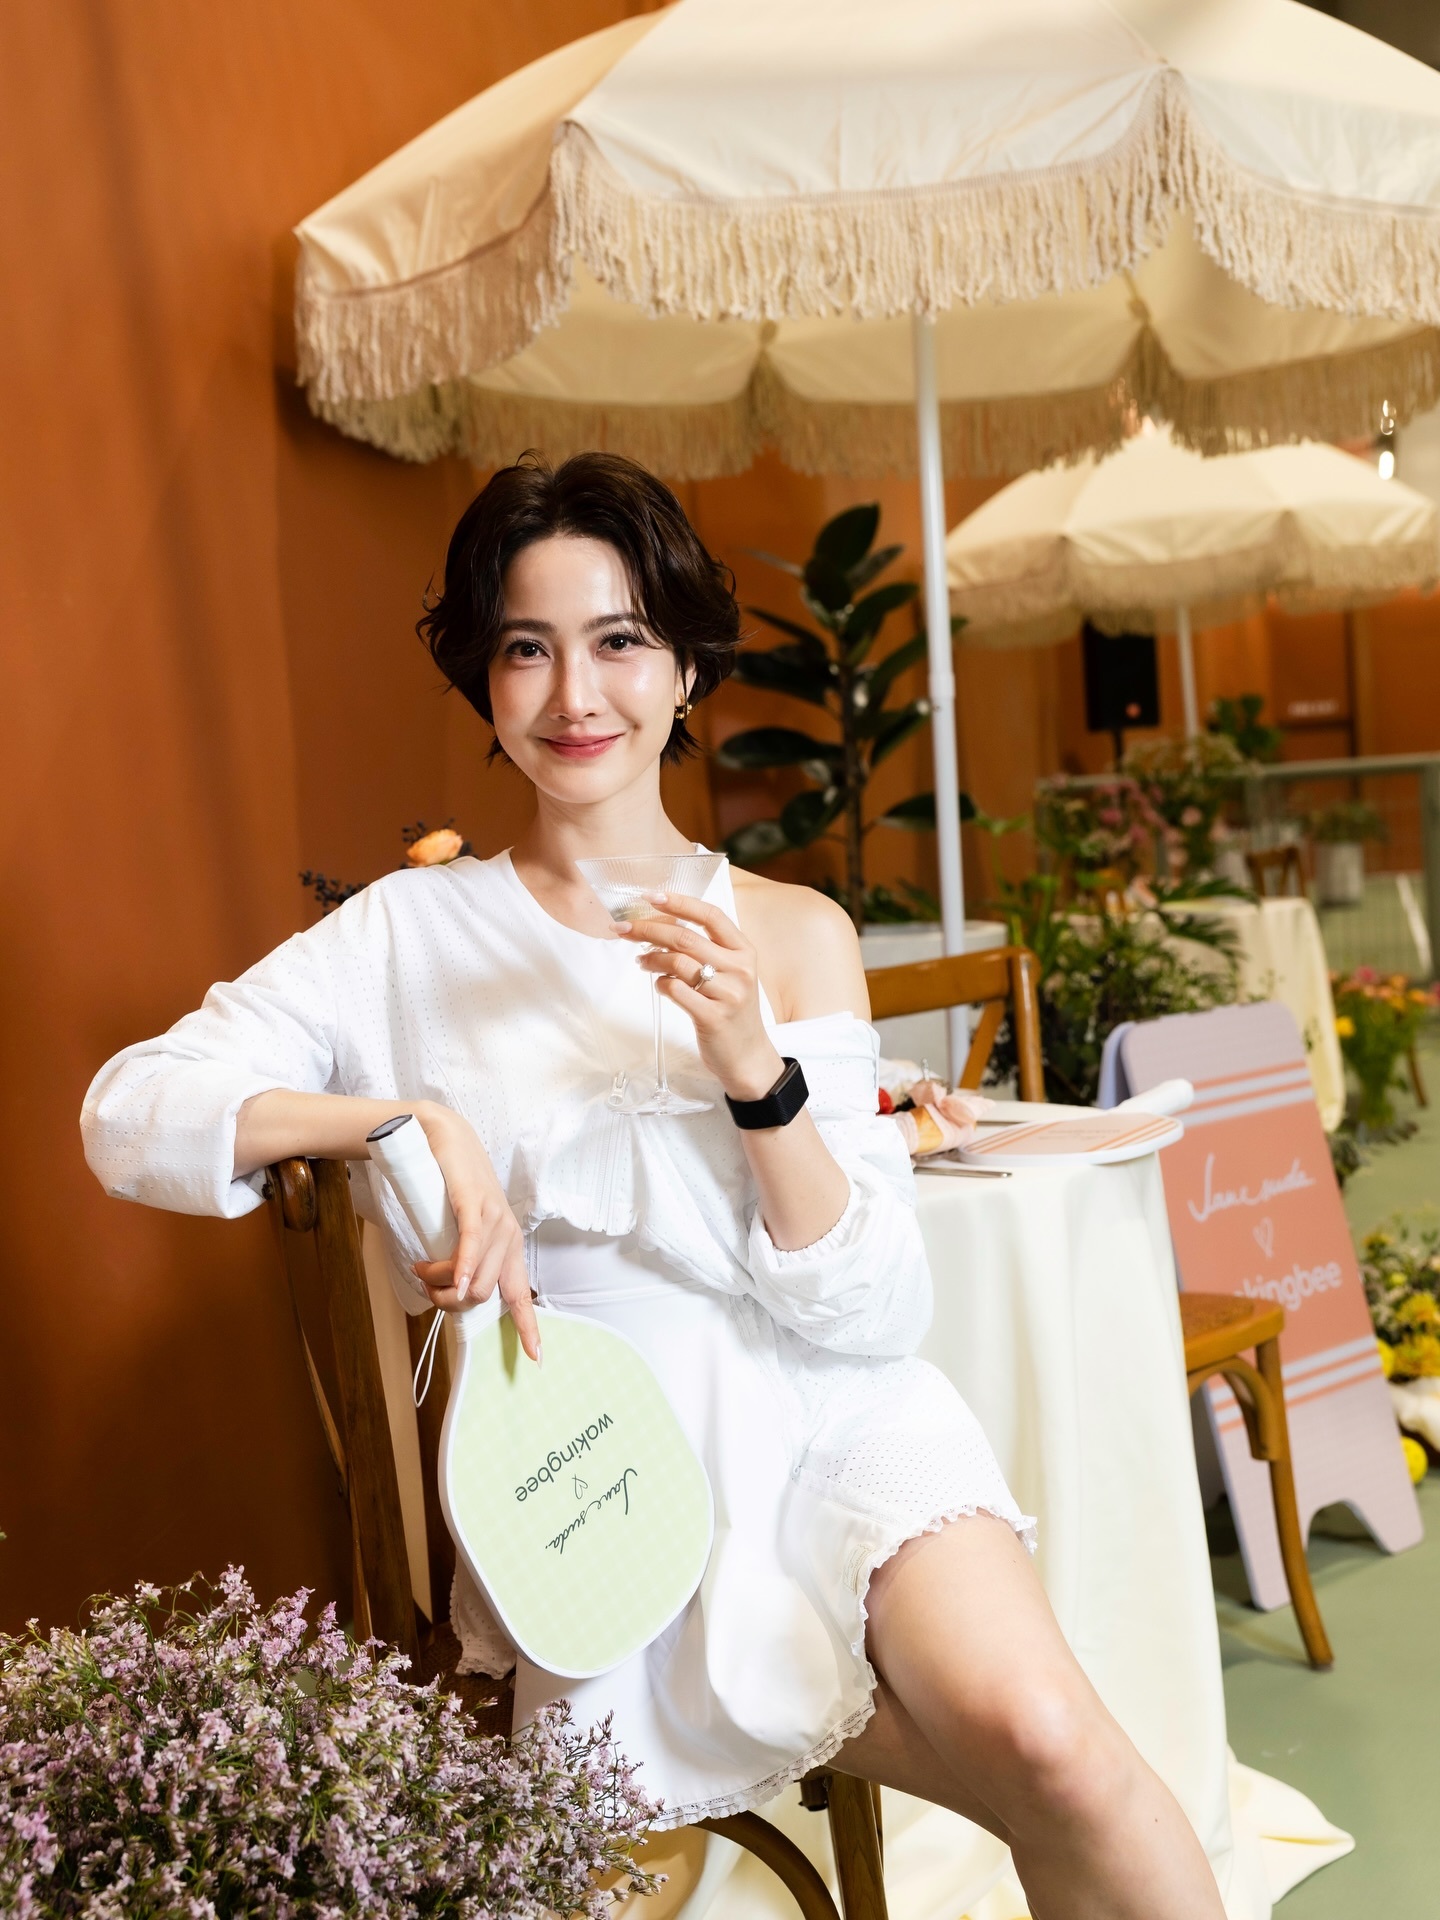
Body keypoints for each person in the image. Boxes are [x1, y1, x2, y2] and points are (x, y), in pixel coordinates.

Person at [83, 452, 1224, 1919]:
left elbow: (875, 1312)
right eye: (527, 647)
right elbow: (128, 1112)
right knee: (1002, 1765)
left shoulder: (793, 930)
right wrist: (402, 1121)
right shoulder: (408, 936)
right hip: (600, 1470)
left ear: (684, 669)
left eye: (619, 640)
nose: (576, 693)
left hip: (834, 1420)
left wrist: (755, 1065)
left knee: (1055, 1746)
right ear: (485, 682)